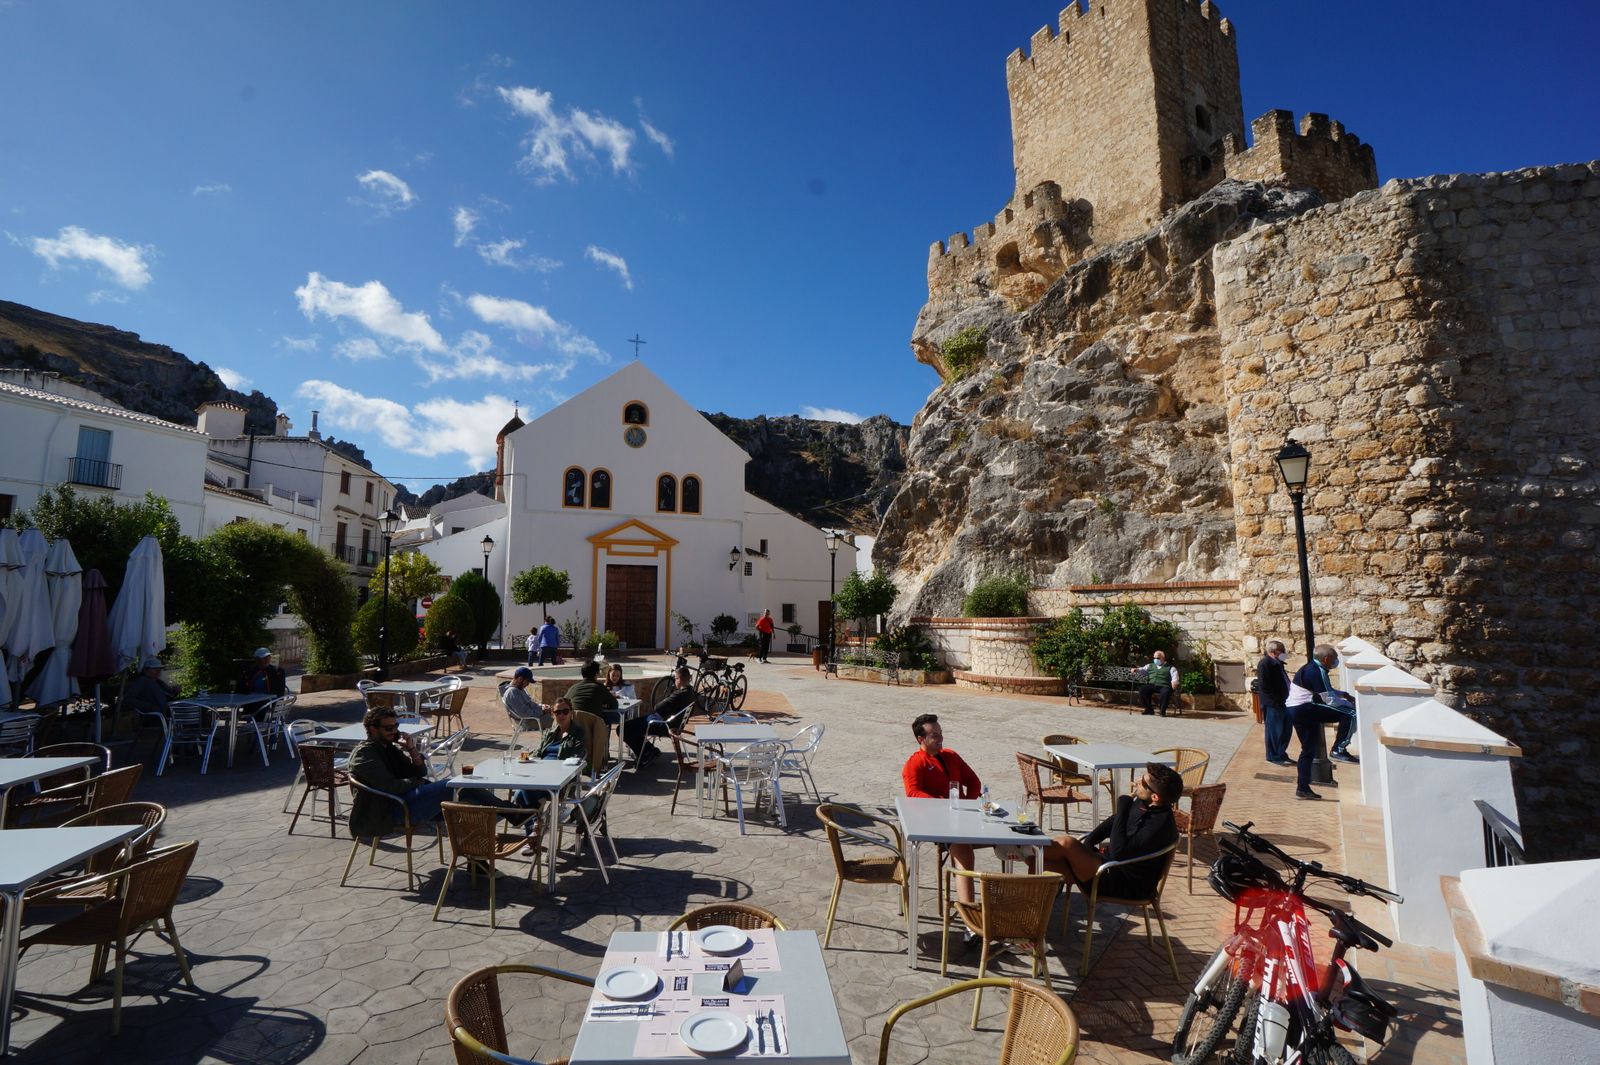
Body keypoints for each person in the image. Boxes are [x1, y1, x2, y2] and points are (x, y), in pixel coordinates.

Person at [346, 708, 523, 838]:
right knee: (456, 785)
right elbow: (392, 787)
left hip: (407, 799)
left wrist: (411, 749)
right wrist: (417, 782)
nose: (394, 732)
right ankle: (511, 812)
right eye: (388, 728)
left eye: (396, 727)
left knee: (467, 803)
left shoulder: (389, 748)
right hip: (391, 810)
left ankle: (478, 859)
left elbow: (420, 771)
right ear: (372, 729)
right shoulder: (365, 755)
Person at [1040, 762, 1184, 899]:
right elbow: (1115, 822)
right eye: (1141, 777)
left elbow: (1118, 852)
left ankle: (1026, 849)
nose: (1137, 781)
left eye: (1143, 783)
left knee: (1067, 844)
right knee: (1036, 860)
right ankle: (1035, 910)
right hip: (1110, 867)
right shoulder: (1145, 803)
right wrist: (1090, 842)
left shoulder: (1159, 825)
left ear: (1155, 797)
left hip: (1125, 884)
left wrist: (1123, 804)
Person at [902, 713, 983, 903]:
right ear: (921, 739)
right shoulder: (915, 764)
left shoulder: (951, 756)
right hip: (942, 825)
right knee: (963, 850)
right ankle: (970, 921)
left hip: (966, 817)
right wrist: (942, 807)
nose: (940, 738)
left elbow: (973, 782)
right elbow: (913, 794)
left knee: (1019, 844)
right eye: (934, 735)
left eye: (940, 733)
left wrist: (966, 805)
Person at [1285, 643, 1358, 800]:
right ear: (1326, 659)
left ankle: (1302, 788)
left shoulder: (1312, 668)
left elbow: (1327, 691)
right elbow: (1329, 699)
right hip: (1304, 709)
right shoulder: (1316, 671)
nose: (1336, 661)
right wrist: (1350, 703)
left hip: (1295, 710)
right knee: (1350, 714)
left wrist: (1344, 694)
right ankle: (1339, 749)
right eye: (1334, 658)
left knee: (1308, 750)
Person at [1256, 640, 1293, 766]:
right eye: (1281, 651)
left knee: (1285, 730)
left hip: (1285, 702)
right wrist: (1276, 701)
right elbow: (1265, 686)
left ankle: (1281, 753)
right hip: (1274, 704)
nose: (1283, 653)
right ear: (1273, 651)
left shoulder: (1279, 663)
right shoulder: (1265, 664)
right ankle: (1273, 756)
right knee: (1274, 731)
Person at [1138, 650, 1180, 716]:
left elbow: (1175, 677)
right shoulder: (1150, 665)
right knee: (1143, 690)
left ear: (1163, 658)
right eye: (1154, 658)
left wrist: (1174, 682)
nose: (1155, 659)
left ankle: (1162, 711)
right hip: (1152, 685)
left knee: (1165, 692)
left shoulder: (1171, 668)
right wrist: (1136, 670)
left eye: (1157, 658)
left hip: (1164, 686)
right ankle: (1149, 709)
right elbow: (1142, 670)